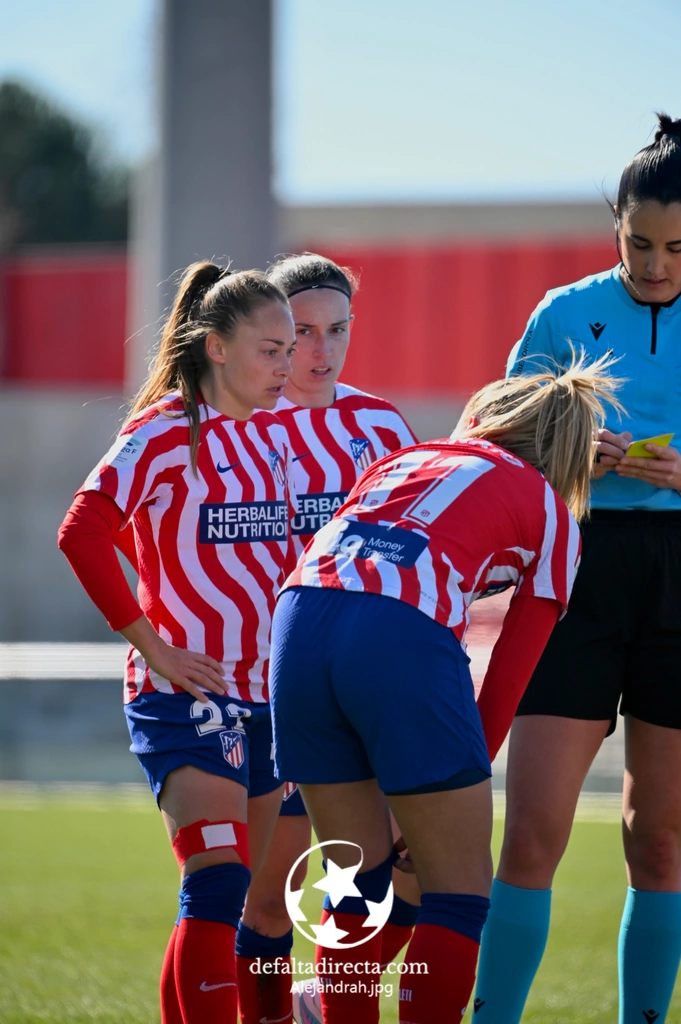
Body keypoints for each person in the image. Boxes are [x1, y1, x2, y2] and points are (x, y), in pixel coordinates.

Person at [268, 354, 621, 1023]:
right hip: (394, 631)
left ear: (484, 421)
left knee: (354, 884)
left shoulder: (407, 456)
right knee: (457, 893)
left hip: (297, 620)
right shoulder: (551, 511)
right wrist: (450, 782)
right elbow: (510, 676)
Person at [473, 113, 681, 1024]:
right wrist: (565, 449)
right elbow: (492, 441)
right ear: (615, 227)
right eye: (638, 243)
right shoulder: (561, 313)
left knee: (660, 841)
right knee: (530, 837)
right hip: (575, 572)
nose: (655, 265)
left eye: (677, 249)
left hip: (679, 582)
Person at [57, 262, 297, 1024]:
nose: (286, 365)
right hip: (184, 695)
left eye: (289, 349)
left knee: (250, 899)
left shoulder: (273, 435)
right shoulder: (164, 430)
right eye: (270, 349)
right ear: (218, 348)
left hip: (270, 700)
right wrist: (152, 645)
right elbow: (83, 531)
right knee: (218, 879)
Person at [234, 253, 419, 1024]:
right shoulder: (238, 424)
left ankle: (326, 998)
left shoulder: (381, 426)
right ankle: (274, 1013)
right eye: (302, 331)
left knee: (400, 875)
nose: (320, 350)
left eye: (335, 330)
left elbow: (415, 545)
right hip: (269, 684)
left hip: (367, 683)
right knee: (273, 894)